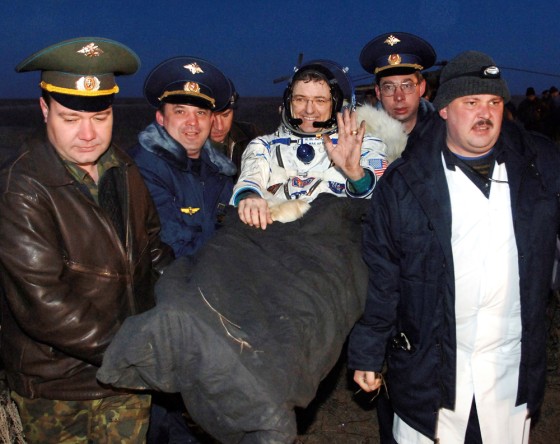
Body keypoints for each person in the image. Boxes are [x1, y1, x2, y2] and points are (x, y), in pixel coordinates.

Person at [348, 50, 560, 443]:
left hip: (509, 373)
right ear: (444, 108)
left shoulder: (541, 170)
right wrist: (368, 350)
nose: (485, 113)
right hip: (431, 374)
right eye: (471, 102)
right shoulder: (405, 184)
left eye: (494, 102)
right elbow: (384, 275)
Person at [0, 37, 173, 443]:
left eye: (100, 117)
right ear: (44, 110)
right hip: (59, 389)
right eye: (70, 117)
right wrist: (139, 350)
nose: (87, 134)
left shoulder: (123, 168)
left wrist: (192, 305)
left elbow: (151, 249)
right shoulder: (20, 188)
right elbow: (45, 303)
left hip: (126, 381)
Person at [129, 56, 237, 443]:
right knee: (171, 423)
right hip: (167, 315)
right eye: (180, 111)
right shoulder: (146, 169)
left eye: (200, 113)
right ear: (161, 118)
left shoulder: (218, 170)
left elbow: (238, 233)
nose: (192, 123)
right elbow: (172, 245)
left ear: (213, 120)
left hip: (210, 309)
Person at [231, 59, 393, 230]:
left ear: (335, 104)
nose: (309, 110)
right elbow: (250, 180)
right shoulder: (264, 147)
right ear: (289, 102)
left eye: (320, 101)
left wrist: (357, 175)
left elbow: (384, 201)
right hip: (274, 242)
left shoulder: (362, 145)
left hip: (338, 243)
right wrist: (250, 197)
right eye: (300, 99)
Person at [358, 32, 437, 137]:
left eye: (407, 86)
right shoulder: (362, 139)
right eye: (389, 87)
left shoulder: (447, 134)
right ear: (378, 92)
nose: (399, 97)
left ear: (421, 88)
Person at [210, 79, 261, 180]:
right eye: (211, 117)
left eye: (226, 115)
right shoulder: (183, 146)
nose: (219, 127)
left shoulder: (251, 135)